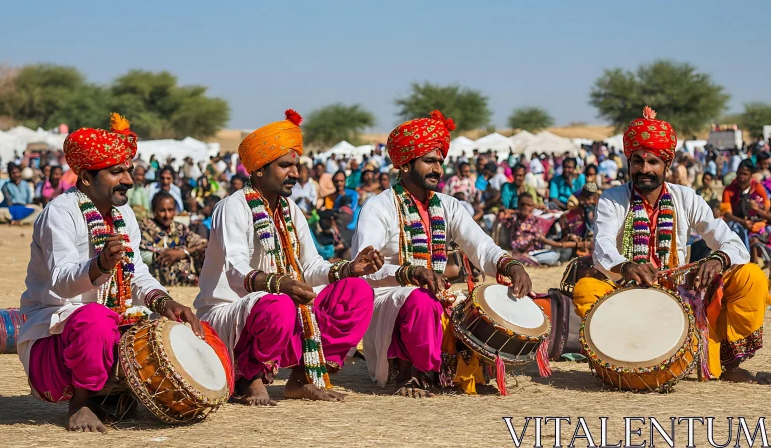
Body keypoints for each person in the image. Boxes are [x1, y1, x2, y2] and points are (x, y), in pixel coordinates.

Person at [17, 113, 207, 433]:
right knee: (95, 317)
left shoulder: (124, 214)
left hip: (106, 326)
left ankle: (115, 393)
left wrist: (165, 302)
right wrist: (101, 265)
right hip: (55, 342)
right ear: (87, 177)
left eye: (128, 171)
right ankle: (81, 403)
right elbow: (62, 282)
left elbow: (137, 273)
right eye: (116, 172)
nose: (129, 180)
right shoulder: (60, 213)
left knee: (157, 323)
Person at [194, 109, 383, 406]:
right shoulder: (232, 207)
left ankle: (301, 379)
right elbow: (235, 272)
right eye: (285, 166)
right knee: (279, 303)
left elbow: (310, 266)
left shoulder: (290, 210)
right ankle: (249, 377)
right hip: (230, 312)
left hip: (282, 305)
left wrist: (349, 269)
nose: (295, 174)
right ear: (258, 170)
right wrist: (281, 284)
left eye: (294, 166)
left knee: (357, 291)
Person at [579, 106, 768, 384]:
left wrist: (717, 261)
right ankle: (620, 363)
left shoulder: (686, 198)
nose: (645, 169)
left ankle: (728, 363)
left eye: (653, 162)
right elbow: (603, 245)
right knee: (586, 289)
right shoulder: (613, 198)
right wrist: (626, 265)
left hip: (681, 293)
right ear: (629, 164)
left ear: (667, 165)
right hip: (626, 294)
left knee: (751, 276)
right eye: (638, 162)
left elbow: (727, 238)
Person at [352, 110, 534, 397]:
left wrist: (510, 265)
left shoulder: (449, 205)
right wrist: (409, 272)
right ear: (406, 164)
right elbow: (364, 268)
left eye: (439, 162)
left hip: (435, 294)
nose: (437, 169)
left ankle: (452, 369)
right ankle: (413, 372)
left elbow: (481, 245)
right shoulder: (379, 207)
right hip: (389, 297)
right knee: (419, 299)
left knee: (477, 303)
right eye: (429, 161)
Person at [139, 191, 207, 286]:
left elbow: (203, 244)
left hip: (186, 284)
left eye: (170, 210)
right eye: (162, 211)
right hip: (156, 284)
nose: (167, 215)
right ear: (154, 210)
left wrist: (184, 252)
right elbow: (148, 254)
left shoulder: (180, 229)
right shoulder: (145, 228)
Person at [503, 193, 580, 266]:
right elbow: (504, 215)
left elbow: (555, 217)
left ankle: (529, 259)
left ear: (533, 206)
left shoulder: (537, 220)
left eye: (528, 205)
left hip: (535, 251)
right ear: (518, 205)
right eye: (522, 204)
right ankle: (525, 259)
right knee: (554, 256)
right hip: (520, 252)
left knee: (563, 252)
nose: (525, 207)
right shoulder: (514, 218)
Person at [722, 160, 771, 250]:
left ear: (751, 174)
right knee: (736, 228)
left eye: (745, 174)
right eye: (739, 173)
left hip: (758, 225)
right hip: (738, 223)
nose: (741, 177)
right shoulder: (729, 190)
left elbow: (767, 213)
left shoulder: (758, 188)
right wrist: (743, 222)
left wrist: (756, 209)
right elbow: (727, 214)